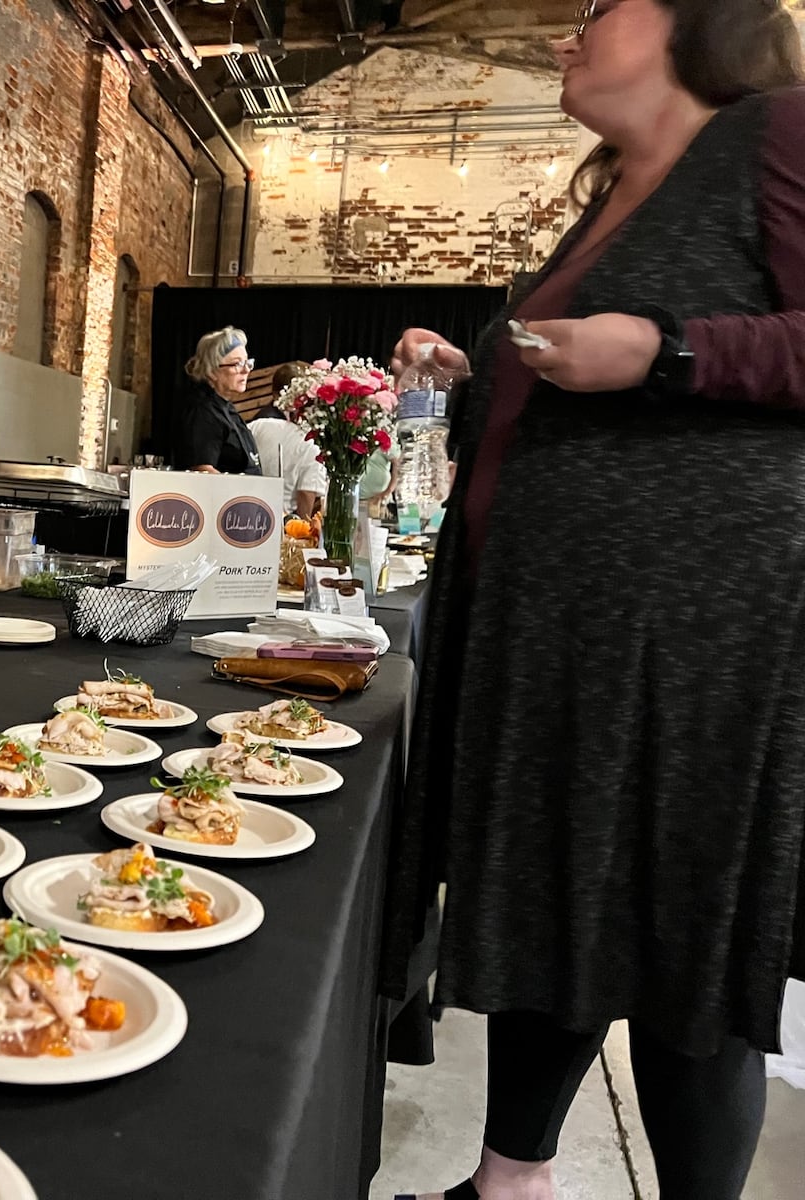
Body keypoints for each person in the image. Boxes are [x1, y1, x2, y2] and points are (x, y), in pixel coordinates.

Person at [385, 3, 805, 1199]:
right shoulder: (616, 188)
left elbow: (705, 345)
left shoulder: (775, 131)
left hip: (692, 633)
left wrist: (667, 350)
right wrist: (485, 372)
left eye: (595, 11)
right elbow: (580, 370)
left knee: (684, 949)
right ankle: (506, 1184)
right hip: (557, 623)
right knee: (546, 910)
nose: (565, 33)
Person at [172, 327, 262, 474]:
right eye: (237, 364)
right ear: (212, 371)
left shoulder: (226, 407)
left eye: (247, 363)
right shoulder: (203, 412)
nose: (246, 370)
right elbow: (203, 471)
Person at [247, 361, 325, 516]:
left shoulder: (254, 425)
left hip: (241, 511)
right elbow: (306, 493)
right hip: (282, 523)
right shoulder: (308, 440)